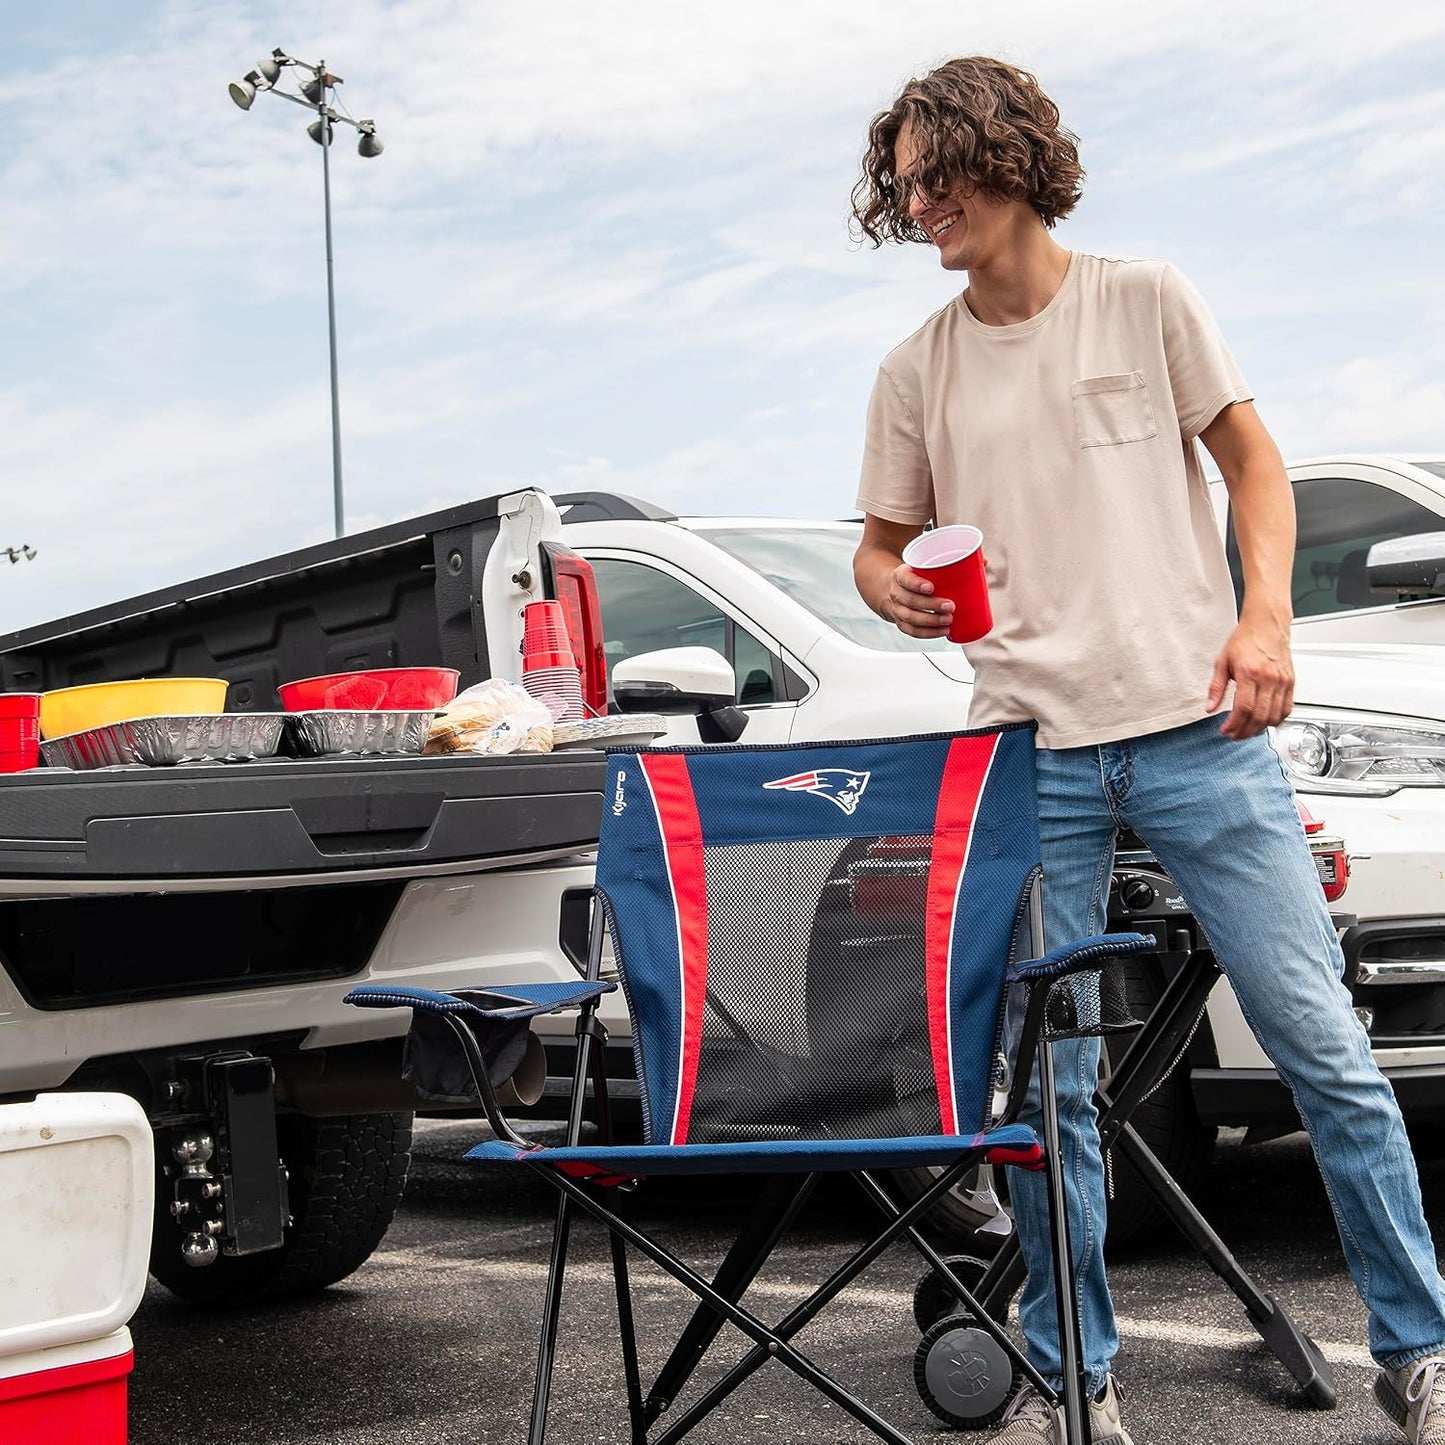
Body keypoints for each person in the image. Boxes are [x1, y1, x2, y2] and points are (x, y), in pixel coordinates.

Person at [849, 55, 1445, 1445]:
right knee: (1052, 1088)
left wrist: (1264, 618)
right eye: (904, 186)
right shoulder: (912, 369)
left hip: (1200, 732)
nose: (921, 202)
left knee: (1322, 1050)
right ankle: (1072, 1376)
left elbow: (1252, 464)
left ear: (1004, 158)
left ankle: (1416, 1351)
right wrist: (890, 586)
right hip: (1028, 755)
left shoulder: (1146, 297)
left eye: (937, 172)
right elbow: (878, 548)